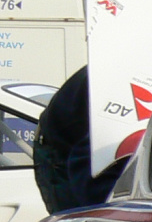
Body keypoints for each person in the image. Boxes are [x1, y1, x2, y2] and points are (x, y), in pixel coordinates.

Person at [31, 67, 123, 211]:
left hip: (83, 142)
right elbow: (92, 163)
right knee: (86, 217)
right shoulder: (120, 78)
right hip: (64, 151)